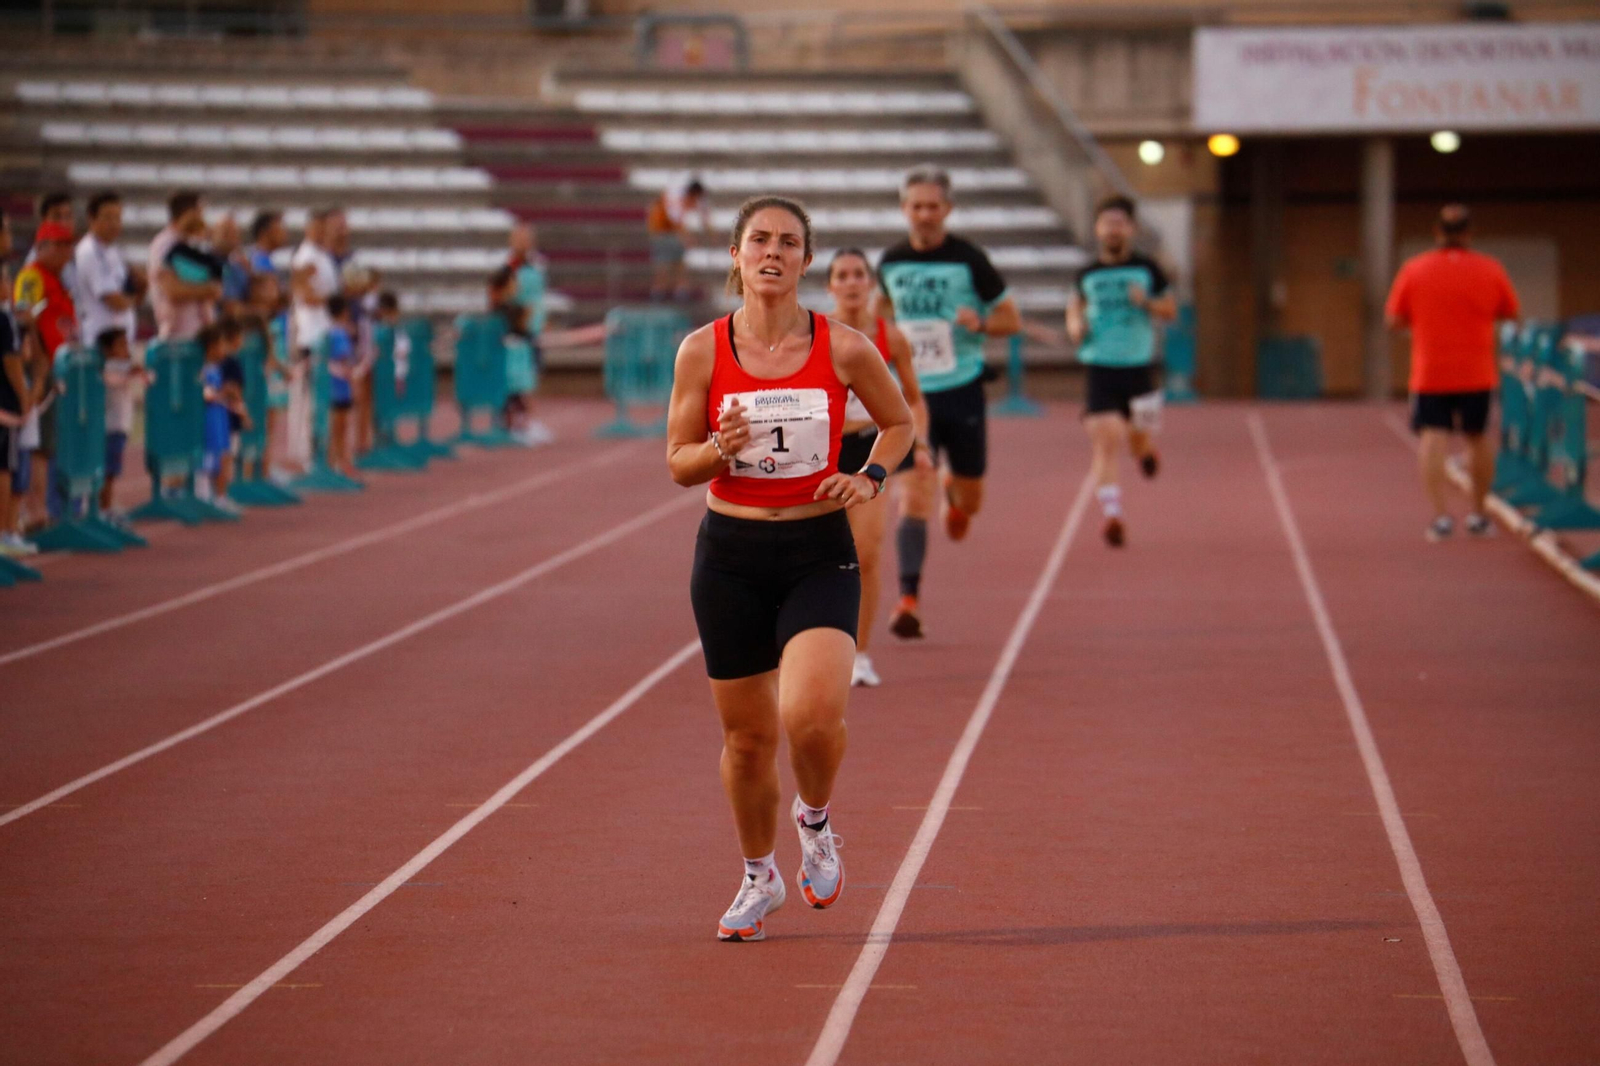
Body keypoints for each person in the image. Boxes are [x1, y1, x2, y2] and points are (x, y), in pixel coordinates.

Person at [665, 195, 913, 941]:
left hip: (816, 550)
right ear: (736, 256)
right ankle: (757, 876)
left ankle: (816, 820)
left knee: (810, 718)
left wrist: (868, 477)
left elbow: (898, 424)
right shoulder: (702, 350)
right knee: (745, 741)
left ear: (806, 261)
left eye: (789, 242)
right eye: (759, 240)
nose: (773, 252)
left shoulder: (841, 346)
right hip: (730, 558)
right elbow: (678, 463)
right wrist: (720, 446)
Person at [875, 164, 1020, 639]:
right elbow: (880, 312)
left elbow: (1010, 318)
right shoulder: (891, 262)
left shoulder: (970, 260)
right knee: (913, 493)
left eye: (933, 206)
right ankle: (908, 598)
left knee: (969, 497)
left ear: (948, 209)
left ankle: (957, 499)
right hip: (910, 396)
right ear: (904, 210)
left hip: (962, 389)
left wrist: (980, 323)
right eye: (916, 206)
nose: (924, 215)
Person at [1386, 204, 1522, 542]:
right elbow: (1510, 313)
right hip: (1477, 370)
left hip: (1431, 371)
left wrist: (1424, 324)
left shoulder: (1414, 269)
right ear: (1468, 234)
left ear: (1437, 233)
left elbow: (1393, 320)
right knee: (1477, 437)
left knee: (1433, 437)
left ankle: (1441, 517)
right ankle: (1478, 513)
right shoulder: (1490, 269)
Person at [826, 248, 931, 687]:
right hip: (825, 451)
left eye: (858, 275)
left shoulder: (892, 337)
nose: (851, 282)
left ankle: (859, 654)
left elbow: (913, 396)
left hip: (871, 449)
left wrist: (919, 443)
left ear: (870, 284)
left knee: (866, 554)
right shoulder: (817, 333)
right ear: (831, 285)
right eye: (842, 275)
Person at [1065, 195, 1177, 548]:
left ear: (1131, 228)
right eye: (1107, 223)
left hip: (1139, 368)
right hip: (1100, 366)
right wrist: (1075, 327)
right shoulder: (1088, 274)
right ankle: (1112, 514)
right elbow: (1075, 308)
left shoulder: (1148, 269)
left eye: (1119, 223)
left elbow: (1170, 310)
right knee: (1107, 439)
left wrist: (1146, 301)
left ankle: (1147, 453)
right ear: (1098, 229)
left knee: (1138, 438)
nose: (1113, 229)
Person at [14, 221, 79, 530]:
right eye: (62, 245)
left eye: (69, 245)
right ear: (44, 247)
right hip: (40, 367)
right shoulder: (32, 277)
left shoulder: (58, 281)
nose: (68, 252)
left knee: (49, 441)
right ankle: (33, 508)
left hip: (57, 365)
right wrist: (39, 363)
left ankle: (42, 505)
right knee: (37, 442)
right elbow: (25, 319)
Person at [288, 207, 343, 473]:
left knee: (325, 397)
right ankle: (309, 455)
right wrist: (335, 301)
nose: (323, 232)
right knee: (312, 398)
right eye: (319, 227)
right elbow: (304, 295)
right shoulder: (306, 257)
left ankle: (323, 452)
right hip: (311, 334)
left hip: (325, 332)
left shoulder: (323, 256)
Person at [73, 191, 144, 368]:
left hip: (120, 343)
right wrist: (134, 299)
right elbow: (114, 300)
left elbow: (135, 291)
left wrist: (139, 289)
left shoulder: (114, 251)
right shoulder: (89, 252)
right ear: (91, 218)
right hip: (101, 343)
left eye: (118, 218)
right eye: (108, 217)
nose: (114, 224)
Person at [0, 215, 35, 557]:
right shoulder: (3, 316)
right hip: (5, 401)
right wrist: (24, 398)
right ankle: (4, 531)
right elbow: (10, 360)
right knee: (5, 465)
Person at [149, 190, 220, 342]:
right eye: (200, 212)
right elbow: (172, 290)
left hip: (199, 330)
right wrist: (206, 290)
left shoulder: (192, 244)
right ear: (190, 214)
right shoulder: (166, 245)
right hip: (179, 332)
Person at [506, 222, 553, 444]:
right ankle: (519, 422)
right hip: (518, 330)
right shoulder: (511, 269)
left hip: (532, 329)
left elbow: (537, 298)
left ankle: (523, 421)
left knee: (532, 376)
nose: (527, 242)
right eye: (523, 238)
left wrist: (542, 320)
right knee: (521, 380)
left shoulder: (534, 266)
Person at [97, 327, 149, 517]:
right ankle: (104, 507)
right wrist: (132, 373)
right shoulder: (110, 366)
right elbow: (112, 379)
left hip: (120, 426)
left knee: (112, 470)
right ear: (108, 350)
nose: (127, 348)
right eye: (121, 345)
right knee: (108, 471)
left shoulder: (123, 367)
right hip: (111, 427)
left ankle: (105, 505)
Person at [197, 318, 246, 511]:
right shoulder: (201, 369)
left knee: (223, 457)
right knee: (207, 460)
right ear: (210, 347)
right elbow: (205, 393)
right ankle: (204, 496)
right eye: (219, 345)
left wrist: (237, 406)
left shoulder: (216, 368)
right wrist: (223, 393)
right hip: (208, 421)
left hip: (221, 420)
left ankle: (220, 496)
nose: (223, 350)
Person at [648, 175, 709, 301]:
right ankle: (662, 291)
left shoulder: (675, 197)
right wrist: (687, 238)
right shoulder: (676, 199)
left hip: (665, 233)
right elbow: (676, 222)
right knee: (668, 264)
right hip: (665, 234)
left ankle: (671, 291)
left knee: (675, 264)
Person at [323, 294, 358, 478]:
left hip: (339, 384)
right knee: (338, 426)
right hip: (338, 385)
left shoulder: (335, 332)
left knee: (340, 426)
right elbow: (342, 357)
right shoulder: (338, 333)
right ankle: (336, 461)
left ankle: (339, 460)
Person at [246, 209, 289, 280]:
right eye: (279, 228)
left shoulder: (261, 257)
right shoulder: (259, 262)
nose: (284, 233)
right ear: (265, 232)